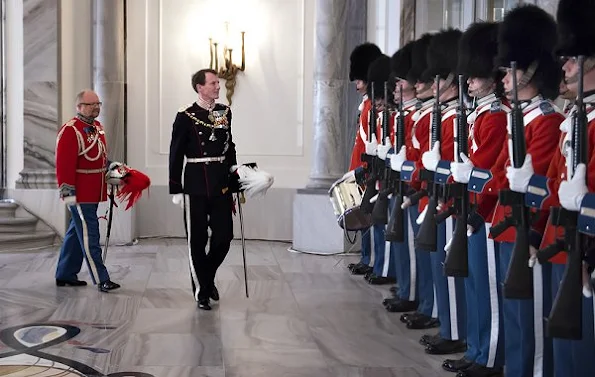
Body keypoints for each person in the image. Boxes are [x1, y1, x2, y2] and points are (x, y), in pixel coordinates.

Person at [470, 5, 563, 376]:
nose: (503, 78)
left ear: (533, 69)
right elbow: (501, 170)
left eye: (511, 69)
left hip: (529, 229)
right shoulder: (522, 118)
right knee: (511, 309)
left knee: (529, 319)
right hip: (504, 221)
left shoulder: (546, 119)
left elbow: (537, 183)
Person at [514, 1, 595, 376]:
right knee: (563, 346)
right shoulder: (577, 117)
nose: (564, 66)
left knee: (580, 353)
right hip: (562, 242)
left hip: (586, 253)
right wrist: (536, 228)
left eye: (573, 60)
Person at [448, 21, 508, 377]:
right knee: (473, 287)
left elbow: (487, 167)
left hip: (484, 213)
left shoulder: (496, 117)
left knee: (487, 292)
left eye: (474, 75)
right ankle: (476, 348)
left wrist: (467, 180)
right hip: (470, 209)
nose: (468, 81)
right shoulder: (480, 114)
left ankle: (489, 356)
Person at [416, 27, 467, 355]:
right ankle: (446, 324)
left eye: (438, 79)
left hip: (451, 202)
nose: (432, 85)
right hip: (438, 198)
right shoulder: (222, 114)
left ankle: (454, 330)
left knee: (451, 271)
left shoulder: (456, 117)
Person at [169, 68, 238, 311]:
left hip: (220, 183)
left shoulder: (222, 112)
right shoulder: (186, 115)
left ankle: (205, 278)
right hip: (196, 183)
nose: (218, 87)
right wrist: (175, 187)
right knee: (196, 241)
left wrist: (234, 171)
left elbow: (227, 143)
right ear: (200, 87)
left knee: (224, 238)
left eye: (218, 83)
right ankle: (202, 292)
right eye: (213, 83)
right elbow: (176, 153)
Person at [393, 33, 439, 331]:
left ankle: (432, 309)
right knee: (424, 258)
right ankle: (426, 305)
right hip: (419, 191)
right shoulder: (218, 114)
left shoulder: (436, 115)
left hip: (436, 196)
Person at [55, 89, 121, 293]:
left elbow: (99, 158)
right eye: (91, 104)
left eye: (98, 103)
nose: (96, 107)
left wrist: (118, 170)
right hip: (79, 195)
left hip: (94, 191)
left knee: (76, 232)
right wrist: (69, 196)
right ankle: (102, 278)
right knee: (90, 235)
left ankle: (65, 274)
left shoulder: (97, 127)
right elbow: (64, 166)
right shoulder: (70, 130)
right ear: (79, 107)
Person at [382, 40, 423, 313]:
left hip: (415, 188)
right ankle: (409, 289)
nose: (396, 87)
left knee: (412, 244)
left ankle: (413, 292)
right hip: (403, 183)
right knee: (402, 240)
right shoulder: (220, 113)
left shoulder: (417, 115)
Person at [347, 42, 384, 276]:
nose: (357, 85)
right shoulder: (367, 104)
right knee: (364, 217)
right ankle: (367, 257)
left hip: (369, 168)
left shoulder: (373, 105)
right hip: (360, 167)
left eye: (360, 80)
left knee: (371, 217)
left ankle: (374, 261)